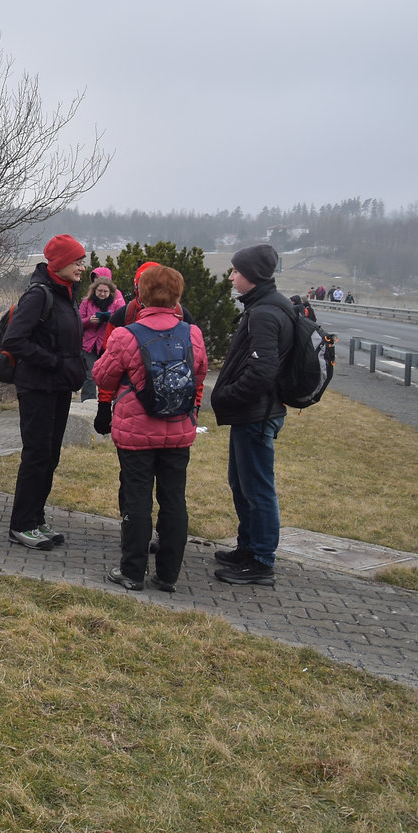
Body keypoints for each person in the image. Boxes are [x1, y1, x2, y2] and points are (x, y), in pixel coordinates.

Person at [92, 264, 208, 593]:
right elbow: (199, 374)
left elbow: (101, 375)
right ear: (177, 295)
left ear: (141, 294)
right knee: (174, 500)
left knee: (137, 499)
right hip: (178, 429)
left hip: (136, 431)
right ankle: (168, 575)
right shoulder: (192, 333)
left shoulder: (127, 335)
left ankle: (132, 571)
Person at [209, 243, 296, 587]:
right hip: (255, 412)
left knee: (257, 488)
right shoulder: (267, 305)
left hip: (256, 415)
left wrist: (228, 396)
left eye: (236, 271)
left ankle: (261, 560)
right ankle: (248, 548)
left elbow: (262, 371)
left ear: (253, 275)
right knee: (242, 483)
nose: (231, 277)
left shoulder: (264, 313)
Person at [0, 234, 89, 550]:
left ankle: (36, 519)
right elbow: (14, 340)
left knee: (50, 456)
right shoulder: (39, 295)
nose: (82, 267)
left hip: (59, 387)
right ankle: (21, 525)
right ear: (60, 263)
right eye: (77, 261)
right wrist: (53, 362)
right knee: (36, 456)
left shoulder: (67, 294)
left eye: (82, 261)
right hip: (37, 387)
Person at [78, 267, 125, 400]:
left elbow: (123, 319)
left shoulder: (116, 301)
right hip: (89, 345)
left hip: (109, 344)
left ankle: (110, 402)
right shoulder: (87, 302)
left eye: (105, 291)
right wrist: (89, 321)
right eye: (99, 291)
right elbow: (78, 322)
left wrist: (111, 319)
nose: (102, 294)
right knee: (89, 376)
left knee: (110, 375)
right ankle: (88, 403)